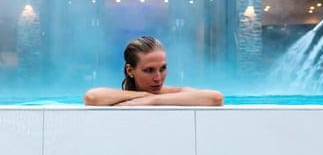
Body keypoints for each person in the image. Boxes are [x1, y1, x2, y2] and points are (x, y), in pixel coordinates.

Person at [84, 36, 224, 106]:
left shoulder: (174, 93)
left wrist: (155, 99)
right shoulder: (121, 96)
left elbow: (216, 98)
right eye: (149, 70)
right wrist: (144, 95)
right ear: (130, 70)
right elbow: (92, 97)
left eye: (163, 68)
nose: (158, 78)